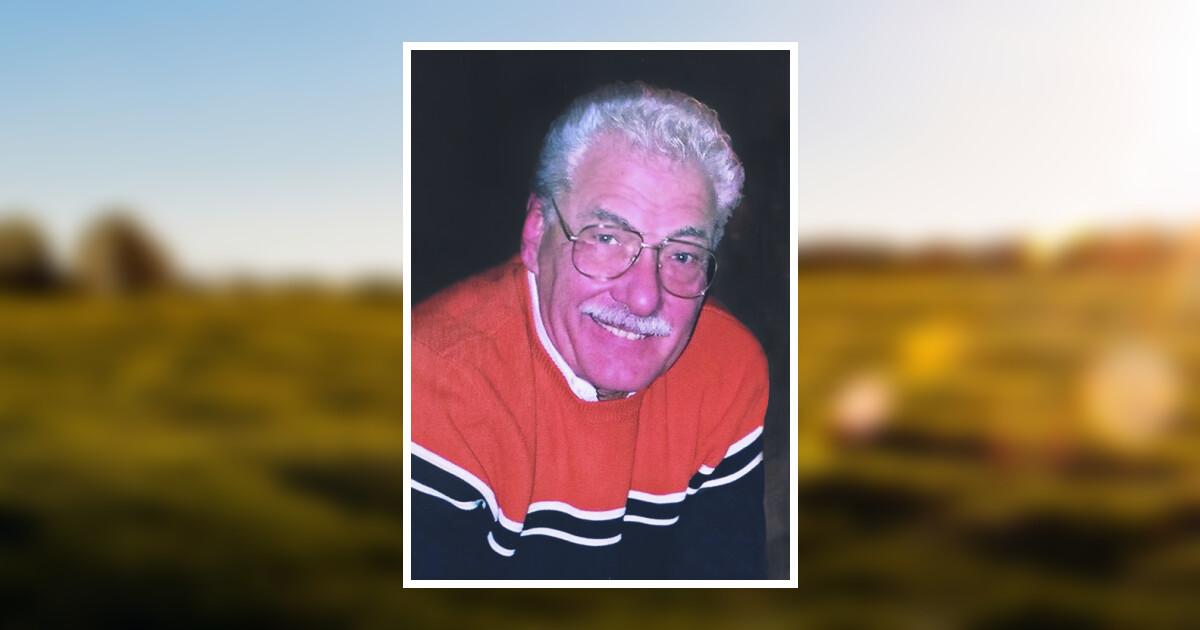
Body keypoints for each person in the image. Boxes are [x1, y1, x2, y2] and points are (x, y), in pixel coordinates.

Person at [410, 82, 769, 579]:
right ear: (536, 233)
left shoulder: (726, 368)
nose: (643, 297)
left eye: (683, 255)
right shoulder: (431, 385)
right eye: (607, 238)